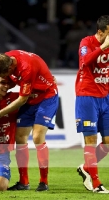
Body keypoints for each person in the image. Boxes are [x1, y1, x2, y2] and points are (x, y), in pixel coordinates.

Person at [0, 50, 59, 191]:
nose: (5, 79)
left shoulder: (26, 67)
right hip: (31, 98)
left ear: (10, 68)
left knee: (37, 137)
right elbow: (14, 84)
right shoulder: (7, 58)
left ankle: (43, 182)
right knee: (20, 137)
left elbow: (22, 99)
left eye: (4, 76)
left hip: (46, 97)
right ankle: (24, 182)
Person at [75, 15, 109, 194]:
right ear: (100, 32)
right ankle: (95, 183)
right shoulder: (86, 42)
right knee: (90, 140)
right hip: (87, 96)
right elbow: (85, 62)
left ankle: (87, 168)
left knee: (108, 142)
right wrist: (103, 47)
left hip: (105, 97)